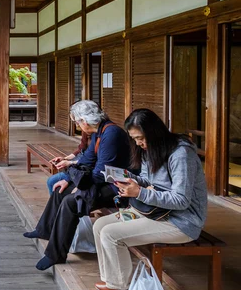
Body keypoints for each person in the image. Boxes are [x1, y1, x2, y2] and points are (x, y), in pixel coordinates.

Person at [92, 109, 207, 290]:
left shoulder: (181, 155)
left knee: (111, 234)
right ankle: (112, 280)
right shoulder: (149, 150)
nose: (139, 143)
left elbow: (181, 200)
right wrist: (129, 179)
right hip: (156, 212)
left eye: (141, 138)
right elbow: (148, 181)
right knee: (99, 226)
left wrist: (139, 193)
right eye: (134, 139)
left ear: (154, 132)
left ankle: (118, 286)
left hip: (181, 221)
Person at [23, 100, 131, 270]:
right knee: (60, 190)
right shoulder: (99, 131)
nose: (77, 126)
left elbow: (101, 172)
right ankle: (45, 229)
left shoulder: (111, 134)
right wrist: (68, 179)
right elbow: (88, 159)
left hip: (118, 187)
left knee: (71, 202)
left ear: (84, 121)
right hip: (102, 180)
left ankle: (55, 254)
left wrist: (80, 187)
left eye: (76, 122)